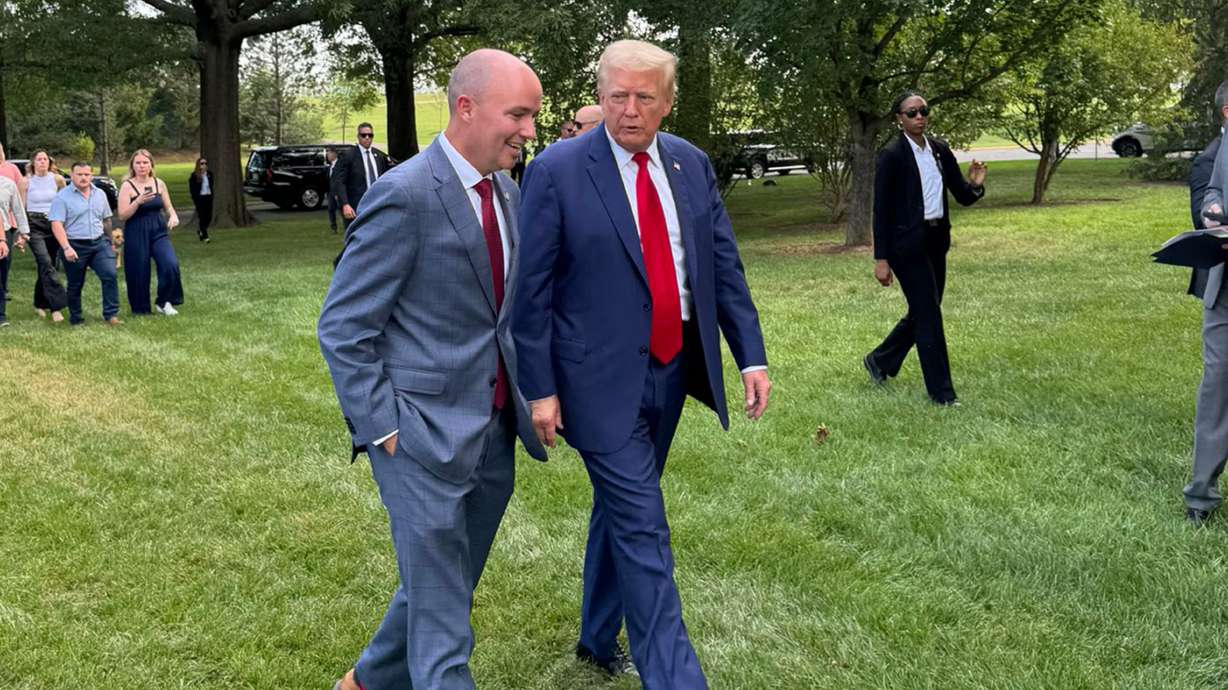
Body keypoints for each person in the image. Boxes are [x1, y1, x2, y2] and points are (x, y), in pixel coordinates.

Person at [513, 39, 771, 689]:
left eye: (644, 97)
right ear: (600, 97)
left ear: (668, 102)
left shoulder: (689, 164)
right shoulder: (558, 170)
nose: (630, 111)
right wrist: (539, 389)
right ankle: (677, 679)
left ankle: (598, 638)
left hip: (671, 372)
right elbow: (530, 292)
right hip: (594, 384)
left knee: (622, 509)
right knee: (644, 529)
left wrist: (750, 357)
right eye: (618, 96)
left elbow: (722, 269)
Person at [319, 49, 547, 690]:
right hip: (417, 437)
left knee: (442, 582)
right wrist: (385, 429)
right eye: (519, 114)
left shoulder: (507, 188)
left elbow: (505, 316)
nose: (529, 130)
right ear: (466, 108)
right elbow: (343, 327)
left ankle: (366, 680)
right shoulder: (404, 194)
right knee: (446, 627)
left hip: (493, 433)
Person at [863, 90, 987, 406]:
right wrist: (881, 259)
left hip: (936, 241)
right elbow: (881, 210)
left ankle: (880, 360)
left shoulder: (940, 151)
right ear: (899, 120)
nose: (919, 117)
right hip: (906, 246)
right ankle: (942, 394)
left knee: (924, 311)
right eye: (911, 113)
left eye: (923, 111)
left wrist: (975, 185)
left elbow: (961, 194)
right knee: (929, 316)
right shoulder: (891, 155)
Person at [1184, 79, 1228, 525]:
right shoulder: (1213, 156)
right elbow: (1209, 197)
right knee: (1217, 387)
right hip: (1225, 292)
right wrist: (1213, 215)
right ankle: (1200, 496)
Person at [49, 162, 122, 326]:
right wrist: (66, 247)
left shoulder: (100, 194)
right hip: (74, 245)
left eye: (87, 174)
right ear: (72, 175)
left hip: (99, 243)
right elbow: (56, 224)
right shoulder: (62, 197)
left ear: (91, 175)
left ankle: (111, 315)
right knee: (75, 283)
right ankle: (76, 318)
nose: (83, 177)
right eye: (79, 174)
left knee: (109, 274)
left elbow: (107, 220)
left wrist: (110, 241)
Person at [117, 149, 183, 317]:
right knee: (138, 270)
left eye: (145, 162)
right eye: (138, 163)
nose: (142, 166)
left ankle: (164, 302)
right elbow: (122, 214)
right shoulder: (127, 185)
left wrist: (173, 216)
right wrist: (137, 202)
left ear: (151, 164)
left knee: (170, 263)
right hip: (136, 231)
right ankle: (141, 309)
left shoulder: (158, 183)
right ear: (132, 165)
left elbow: (168, 207)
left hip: (158, 230)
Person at [23, 150, 67, 322]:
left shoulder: (57, 179)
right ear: (33, 162)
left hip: (54, 224)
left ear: (49, 162)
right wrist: (23, 230)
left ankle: (39, 303)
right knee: (45, 261)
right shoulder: (25, 182)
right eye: (39, 159)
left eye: (45, 159)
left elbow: (65, 201)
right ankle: (56, 307)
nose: (42, 162)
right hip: (34, 225)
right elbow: (22, 208)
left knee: (49, 265)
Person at [332, 123, 390, 233]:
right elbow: (339, 181)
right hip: (355, 207)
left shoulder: (379, 156)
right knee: (356, 239)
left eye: (370, 135)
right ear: (358, 136)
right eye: (363, 135)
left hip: (377, 204)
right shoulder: (348, 156)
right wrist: (345, 204)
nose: (367, 138)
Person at [0, 171, 29, 327]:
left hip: (3, 231)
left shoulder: (8, 184)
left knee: (2, 271)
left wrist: (23, 232)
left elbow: (18, 209)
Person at [0, 144, 23, 309]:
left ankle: (3, 288)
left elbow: (19, 193)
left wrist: (21, 226)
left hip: (7, 223)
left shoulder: (11, 171)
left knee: (5, 260)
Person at [188, 156, 213, 243]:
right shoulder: (194, 176)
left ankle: (200, 231)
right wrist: (196, 198)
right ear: (198, 165)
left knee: (209, 217)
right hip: (200, 198)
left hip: (208, 197)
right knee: (202, 217)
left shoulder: (209, 174)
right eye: (202, 163)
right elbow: (192, 189)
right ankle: (205, 236)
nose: (204, 165)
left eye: (205, 163)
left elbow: (211, 185)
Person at [325, 148, 339, 233]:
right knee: (331, 209)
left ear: (334, 154)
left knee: (342, 209)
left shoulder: (339, 165)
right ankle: (334, 227)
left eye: (329, 154)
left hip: (338, 192)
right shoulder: (330, 166)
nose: (327, 156)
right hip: (331, 192)